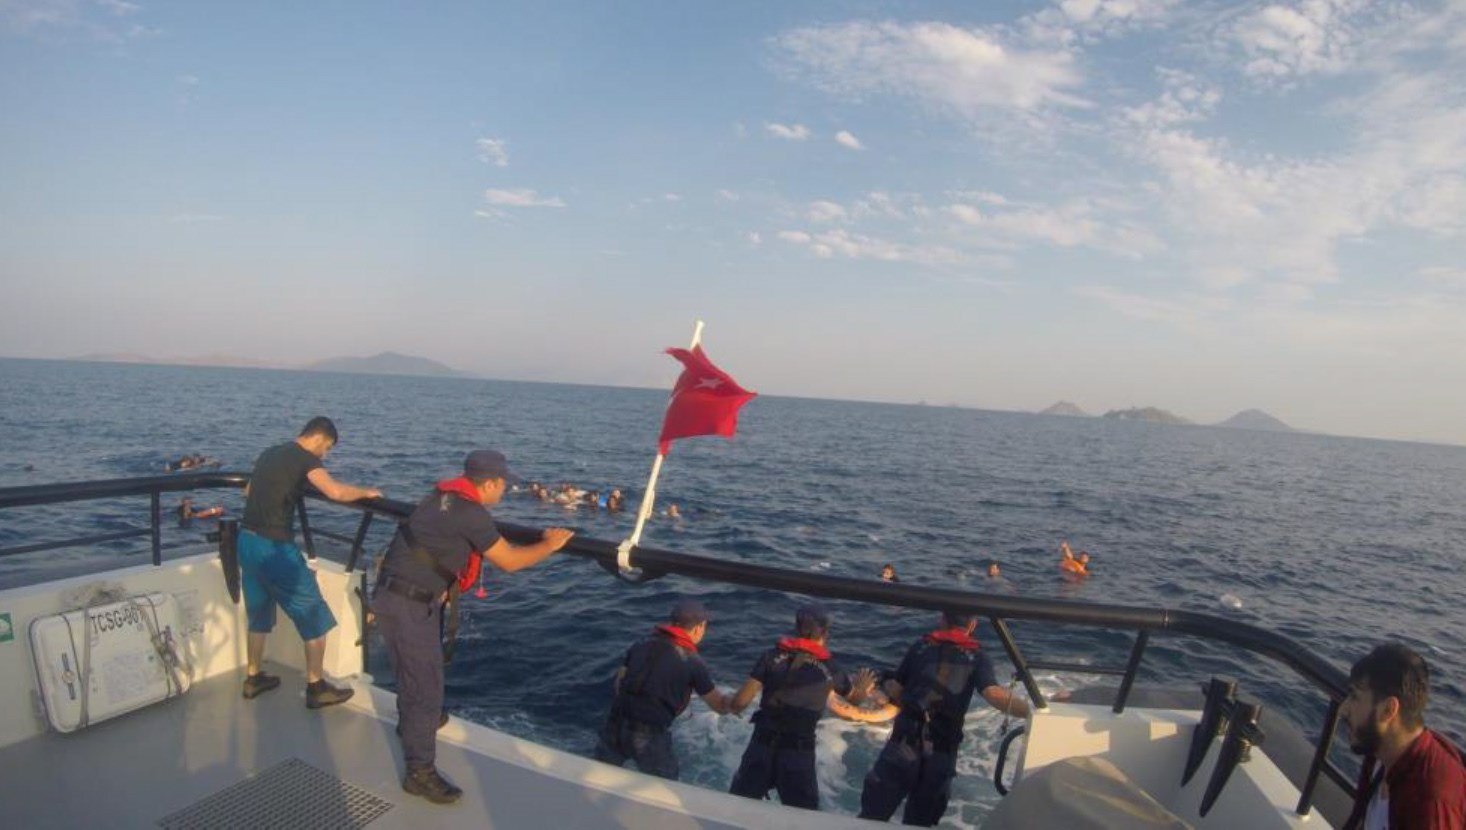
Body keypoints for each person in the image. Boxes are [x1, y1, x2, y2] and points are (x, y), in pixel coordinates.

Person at [374, 449, 573, 804]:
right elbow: (509, 561)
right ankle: (419, 772)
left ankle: (413, 724)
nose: (504, 493)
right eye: (503, 486)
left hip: (396, 595)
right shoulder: (471, 513)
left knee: (416, 674)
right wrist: (549, 544)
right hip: (409, 604)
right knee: (426, 686)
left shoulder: (438, 497)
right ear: (491, 483)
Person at [239, 416, 381, 707]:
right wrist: (366, 493)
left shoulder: (271, 452)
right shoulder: (305, 459)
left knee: (258, 614)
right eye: (327, 448)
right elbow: (336, 492)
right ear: (318, 438)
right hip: (275, 547)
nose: (325, 455)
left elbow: (248, 491)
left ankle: (253, 678)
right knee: (314, 615)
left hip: (247, 541)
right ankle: (317, 687)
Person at [859, 610, 1030, 826]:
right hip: (940, 754)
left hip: (902, 747)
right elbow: (993, 694)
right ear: (973, 625)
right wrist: (1031, 712)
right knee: (920, 822)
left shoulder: (920, 647)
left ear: (942, 620)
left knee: (872, 818)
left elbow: (896, 688)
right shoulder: (978, 657)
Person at [728, 604, 892, 810]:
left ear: (797, 628)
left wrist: (726, 703)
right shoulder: (832, 669)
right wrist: (861, 687)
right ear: (824, 632)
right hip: (797, 756)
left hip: (761, 747)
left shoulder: (770, 656)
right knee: (804, 817)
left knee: (737, 808)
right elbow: (854, 700)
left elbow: (740, 703)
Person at [594, 599, 739, 780]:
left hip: (614, 724)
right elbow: (719, 706)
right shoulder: (692, 661)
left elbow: (619, 683)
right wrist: (736, 700)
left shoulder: (639, 645)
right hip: (648, 735)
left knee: (599, 777)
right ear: (698, 628)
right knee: (664, 786)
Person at [1341, 643, 1466, 830]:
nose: (1342, 709)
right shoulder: (1379, 752)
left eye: (1354, 696)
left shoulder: (1431, 803)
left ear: (1388, 710)